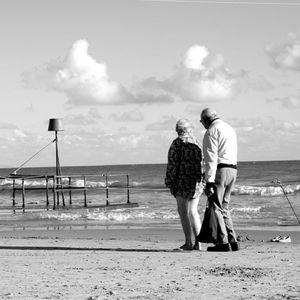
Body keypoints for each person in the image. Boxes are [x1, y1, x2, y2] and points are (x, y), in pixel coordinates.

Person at [200, 108, 239, 252]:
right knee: (224, 206)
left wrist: (209, 181)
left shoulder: (211, 131)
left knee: (215, 206)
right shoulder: (229, 128)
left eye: (201, 121)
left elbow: (211, 158)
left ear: (205, 120)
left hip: (220, 170)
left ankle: (223, 242)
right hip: (233, 169)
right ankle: (233, 240)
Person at [165, 119, 203, 250]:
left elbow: (172, 165)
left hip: (181, 181)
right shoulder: (197, 142)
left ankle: (188, 242)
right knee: (193, 212)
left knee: (183, 212)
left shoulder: (177, 144)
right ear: (189, 129)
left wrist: (169, 182)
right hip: (196, 182)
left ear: (178, 130)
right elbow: (203, 163)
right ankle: (199, 242)